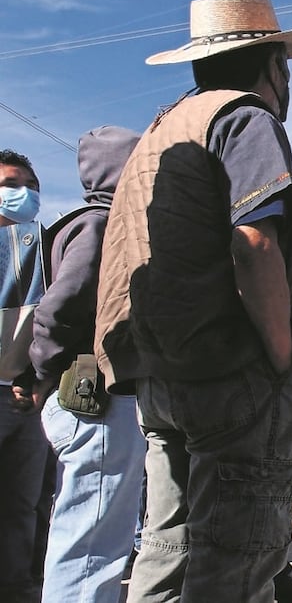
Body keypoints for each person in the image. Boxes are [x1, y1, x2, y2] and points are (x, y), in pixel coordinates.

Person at [94, 0, 292, 601]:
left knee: (167, 553)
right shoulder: (246, 118)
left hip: (164, 374)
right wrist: (281, 354)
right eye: (285, 68)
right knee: (239, 565)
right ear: (272, 65)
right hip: (232, 374)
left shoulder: (160, 132)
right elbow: (254, 241)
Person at [28, 126, 145, 603]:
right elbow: (58, 309)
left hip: (85, 397)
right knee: (92, 544)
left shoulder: (81, 221)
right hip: (95, 398)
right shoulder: (102, 225)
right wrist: (45, 371)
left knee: (89, 533)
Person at [0, 149, 48, 602]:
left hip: (22, 397)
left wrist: (36, 378)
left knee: (23, 505)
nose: (24, 195)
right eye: (13, 185)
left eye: (31, 186)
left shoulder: (38, 247)